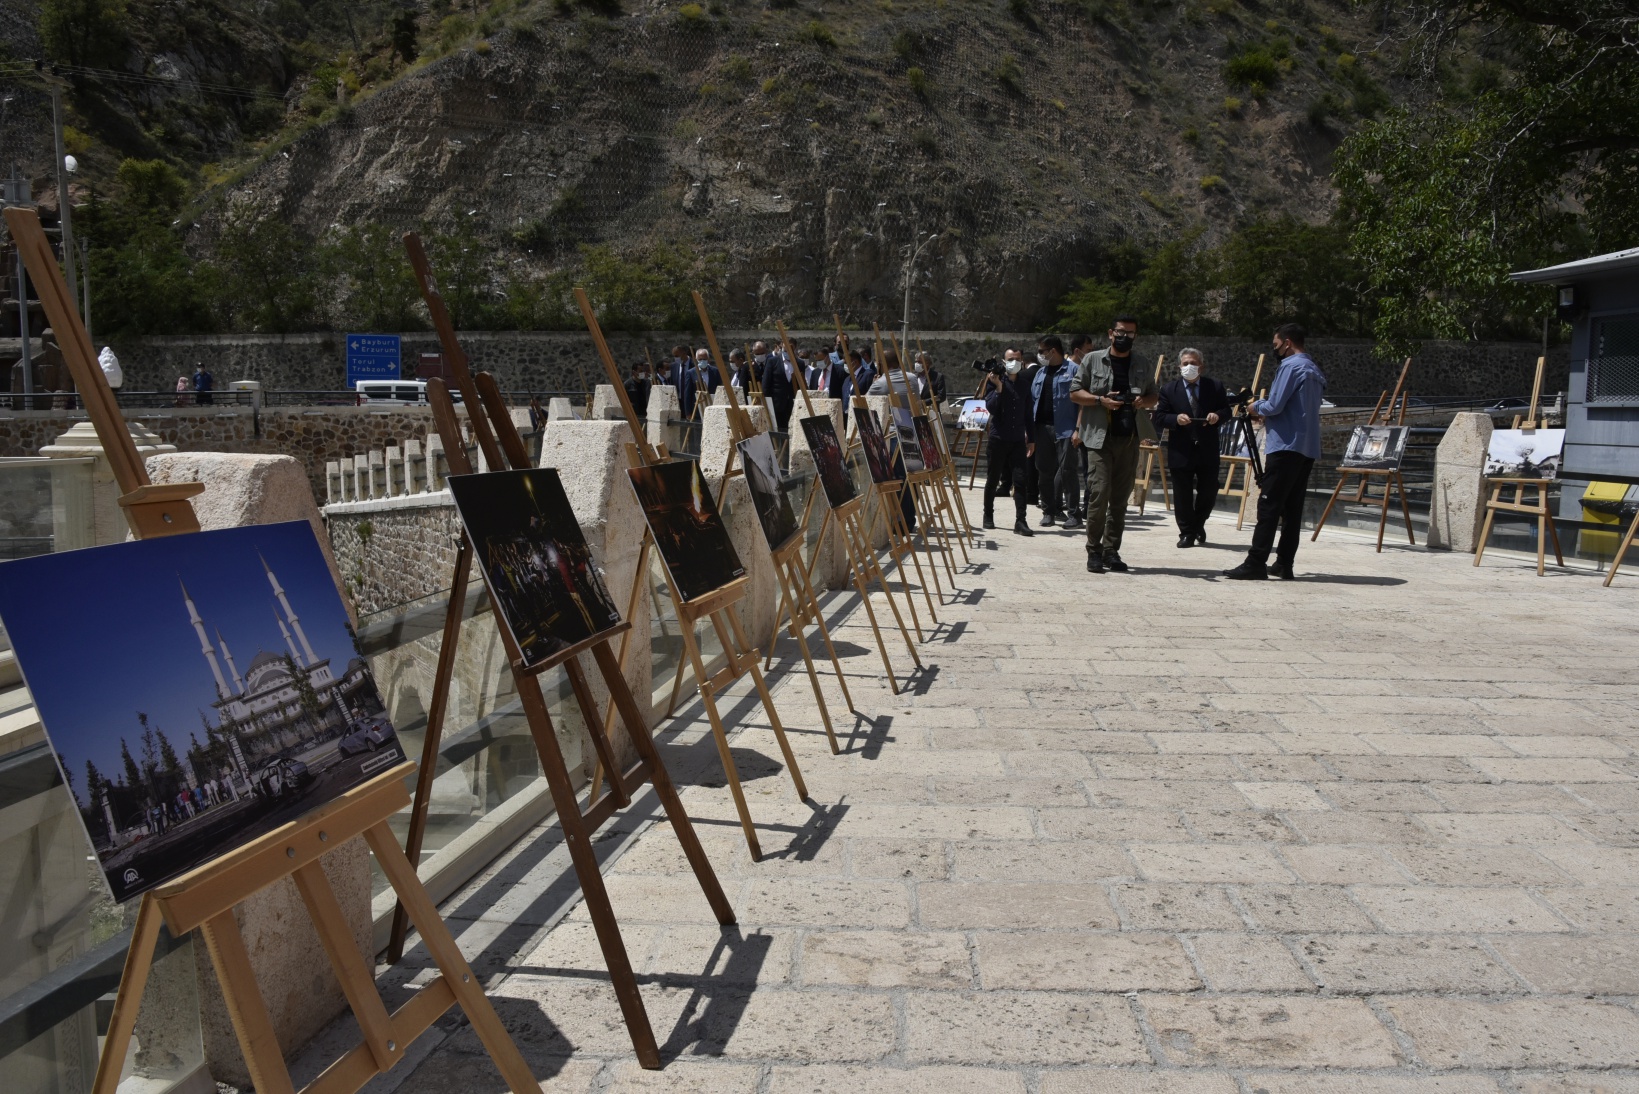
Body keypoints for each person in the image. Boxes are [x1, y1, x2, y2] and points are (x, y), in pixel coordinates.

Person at [1226, 324, 1327, 580]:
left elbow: (1274, 405)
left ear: (1288, 342)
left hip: (1285, 445)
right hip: (1307, 447)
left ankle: (1256, 561)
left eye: (1276, 345)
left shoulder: (1290, 366)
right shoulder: (1314, 369)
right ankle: (1284, 563)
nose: (1276, 350)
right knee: (1292, 509)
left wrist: (1253, 406)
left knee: (1269, 505)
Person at [1070, 314, 1158, 574]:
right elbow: (1075, 393)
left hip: (1129, 438)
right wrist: (1100, 400)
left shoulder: (1142, 363)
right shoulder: (1092, 359)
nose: (1125, 337)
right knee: (1099, 493)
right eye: (1120, 332)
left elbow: (1154, 394)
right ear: (1111, 333)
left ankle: (1111, 550)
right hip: (1099, 438)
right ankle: (1093, 550)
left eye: (1130, 333)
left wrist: (1144, 401)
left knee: (1120, 500)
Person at [1153, 347, 1232, 548]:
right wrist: (1175, 419)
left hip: (1207, 448)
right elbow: (1160, 416)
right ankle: (1187, 532)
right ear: (1180, 366)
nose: (1190, 367)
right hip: (1181, 448)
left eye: (1194, 363)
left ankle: (1199, 523)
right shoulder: (1169, 390)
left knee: (1208, 490)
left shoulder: (1214, 386)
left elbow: (1226, 410)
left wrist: (1217, 416)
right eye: (1186, 363)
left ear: (1201, 366)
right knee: (1182, 493)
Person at [981, 356, 1033, 536]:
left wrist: (1031, 439)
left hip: (1018, 439)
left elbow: (1028, 414)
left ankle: (1021, 520)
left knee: (1020, 480)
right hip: (998, 438)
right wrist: (999, 388)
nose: (1014, 362)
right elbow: (991, 408)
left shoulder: (1025, 384)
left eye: (1018, 358)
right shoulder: (994, 381)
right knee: (993, 478)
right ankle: (988, 515)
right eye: (1010, 359)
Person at [1030, 337, 1077, 527]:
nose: (1040, 355)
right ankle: (1048, 511)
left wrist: (1078, 429)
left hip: (1066, 429)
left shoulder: (1073, 370)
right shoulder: (1040, 373)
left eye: (1042, 351)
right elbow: (1033, 401)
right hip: (1042, 428)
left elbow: (1082, 403)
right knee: (1044, 471)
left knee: (1068, 471)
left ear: (1053, 351)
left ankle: (1074, 514)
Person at [760, 343, 797, 432]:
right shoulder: (773, 361)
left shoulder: (799, 363)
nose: (787, 353)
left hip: (793, 405)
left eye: (790, 351)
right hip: (776, 405)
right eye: (785, 351)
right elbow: (766, 384)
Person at [679, 348, 719, 420]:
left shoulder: (715, 371)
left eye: (704, 359)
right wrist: (688, 413)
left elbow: (718, 389)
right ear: (696, 359)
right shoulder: (691, 373)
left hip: (712, 406)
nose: (702, 361)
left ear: (708, 359)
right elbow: (687, 394)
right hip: (697, 409)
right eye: (700, 359)